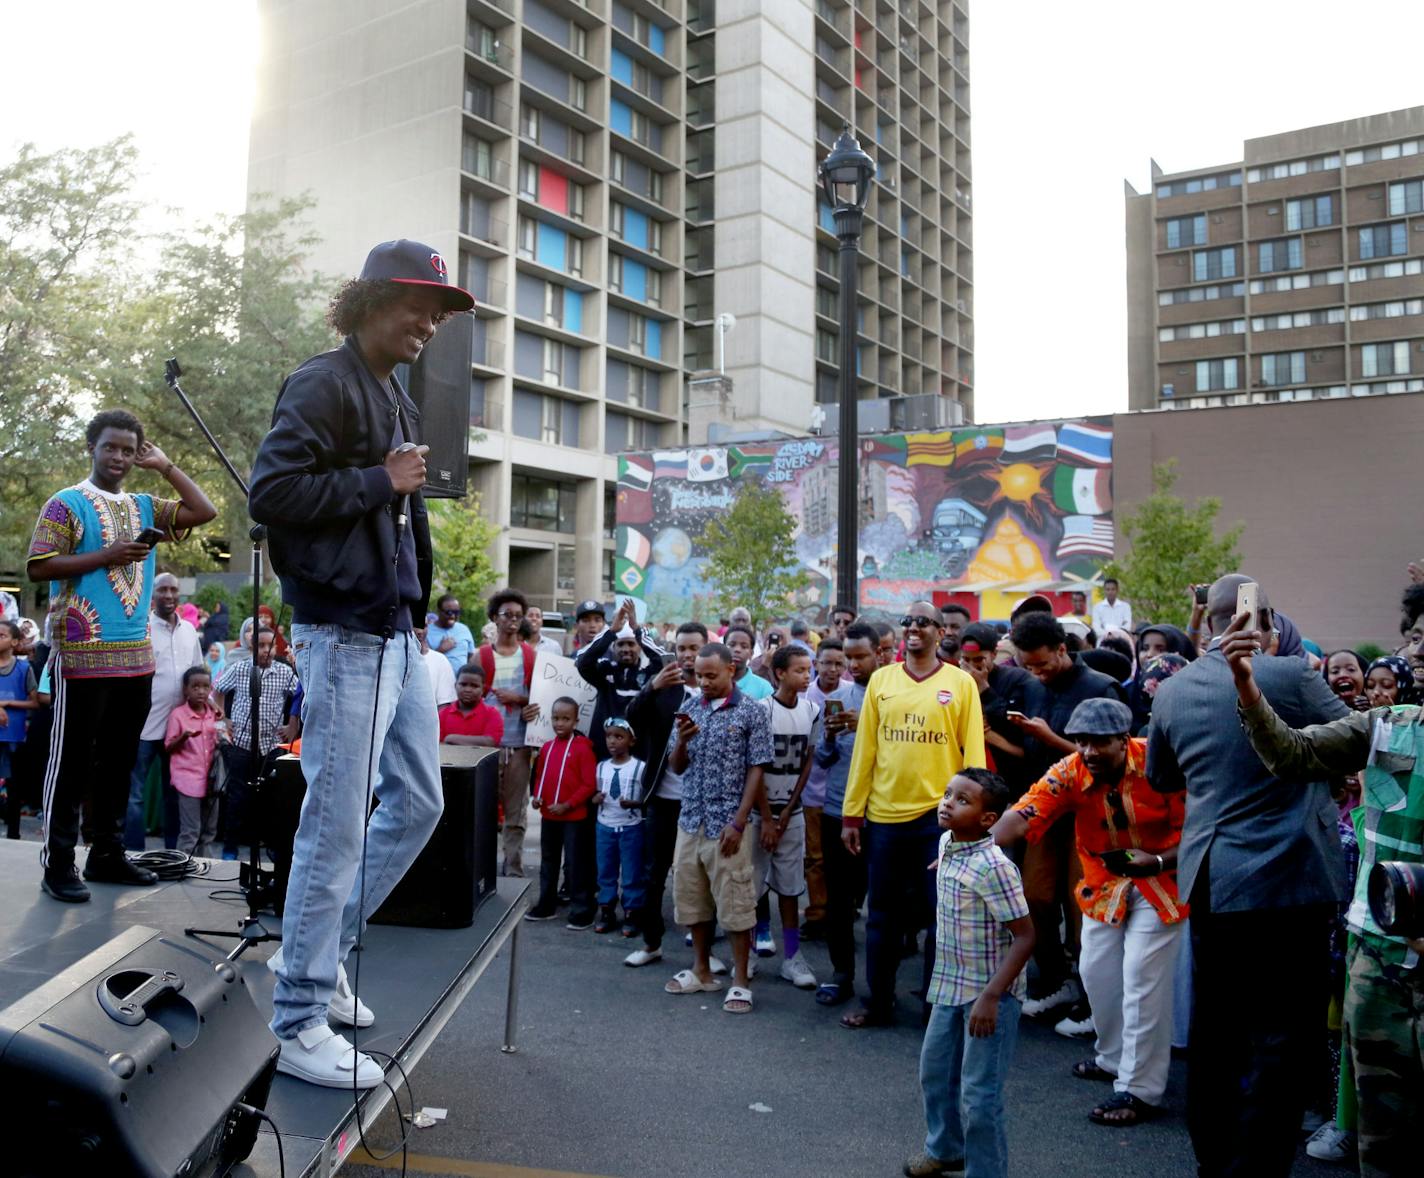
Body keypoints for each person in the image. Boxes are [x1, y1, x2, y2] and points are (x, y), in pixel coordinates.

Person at [248, 239, 468, 1088]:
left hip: (396, 633)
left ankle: (322, 951)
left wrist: (418, 613)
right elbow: (272, 496)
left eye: (440, 312)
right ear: (370, 300)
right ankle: (299, 1016)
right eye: (419, 305)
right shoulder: (323, 382)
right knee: (334, 824)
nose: (430, 323)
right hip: (342, 633)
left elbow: (404, 517)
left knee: (417, 802)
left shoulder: (397, 397)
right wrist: (379, 481)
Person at [1145, 574, 1351, 1177]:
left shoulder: (1173, 689)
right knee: (1283, 1039)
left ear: (1207, 621)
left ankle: (1215, 1162)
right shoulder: (1288, 674)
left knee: (1217, 1035)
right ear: (1263, 619)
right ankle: (1257, 1169)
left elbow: (1161, 778)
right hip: (1289, 880)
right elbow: (1353, 743)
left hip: (1212, 877)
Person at [1222, 594, 1424, 1178]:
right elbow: (1293, 754)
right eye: (1417, 638)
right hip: (1378, 964)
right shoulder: (1389, 728)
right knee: (1382, 1138)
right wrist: (1245, 684)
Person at [27, 408, 217, 903]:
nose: (118, 457)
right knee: (70, 762)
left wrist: (167, 467)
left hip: (137, 657)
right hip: (81, 651)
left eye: (128, 450)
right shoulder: (66, 503)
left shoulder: (144, 505)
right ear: (92, 447)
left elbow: (204, 512)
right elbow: (40, 566)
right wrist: (108, 556)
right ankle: (59, 862)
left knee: (118, 762)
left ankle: (107, 854)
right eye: (110, 447)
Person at [993, 698, 1186, 1126]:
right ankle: (1113, 1058)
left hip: (1163, 883)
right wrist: (974, 847)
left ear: (1124, 739)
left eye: (1100, 743)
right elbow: (1027, 811)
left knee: (1142, 981)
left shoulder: (1163, 764)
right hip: (1103, 885)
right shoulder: (1071, 770)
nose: (1089, 752)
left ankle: (1140, 1090)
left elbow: (1197, 831)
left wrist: (1154, 862)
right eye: (1081, 742)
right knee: (1096, 973)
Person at [840, 602, 986, 1029]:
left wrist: (971, 819)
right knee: (880, 916)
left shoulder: (960, 684)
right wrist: (853, 815)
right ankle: (878, 1003)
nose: (914, 628)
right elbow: (865, 751)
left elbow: (972, 756)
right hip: (883, 817)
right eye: (908, 622)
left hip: (938, 822)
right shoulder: (882, 681)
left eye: (924, 622)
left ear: (941, 632)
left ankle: (935, 1009)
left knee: (941, 916)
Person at [904, 768, 1034, 1178]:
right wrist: (944, 862)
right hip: (948, 983)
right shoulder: (947, 841)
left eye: (963, 800)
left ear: (987, 819)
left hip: (988, 995)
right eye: (947, 794)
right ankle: (945, 1149)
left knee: (980, 1097)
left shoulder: (996, 868)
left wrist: (993, 997)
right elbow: (952, 858)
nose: (947, 803)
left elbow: (1026, 937)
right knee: (936, 1074)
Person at [1005, 611, 1126, 1030]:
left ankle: (1093, 1002)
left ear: (1063, 648)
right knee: (1034, 895)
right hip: (1044, 810)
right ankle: (1055, 981)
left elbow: (1112, 758)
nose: (1036, 673)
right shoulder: (1029, 687)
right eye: (1027, 666)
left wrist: (1048, 738)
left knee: (1082, 911)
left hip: (1089, 813)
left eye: (1042, 663)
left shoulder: (1100, 688)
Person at [662, 642, 773, 1014]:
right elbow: (676, 767)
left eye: (712, 675)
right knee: (692, 899)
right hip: (691, 819)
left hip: (729, 824)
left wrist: (740, 822)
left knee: (736, 903)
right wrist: (683, 741)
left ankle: (740, 981)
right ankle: (702, 971)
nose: (704, 682)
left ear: (731, 669)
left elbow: (758, 768)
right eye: (699, 675)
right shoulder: (689, 709)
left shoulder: (752, 712)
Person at [624, 621, 708, 968]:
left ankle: (706, 950)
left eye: (694, 648)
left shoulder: (714, 691)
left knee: (701, 875)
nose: (687, 655)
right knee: (654, 871)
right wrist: (652, 687)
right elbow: (631, 718)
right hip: (663, 797)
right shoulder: (665, 685)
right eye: (682, 648)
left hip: (702, 800)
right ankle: (651, 942)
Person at [813, 623, 878, 1005]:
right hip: (838, 808)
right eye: (847, 657)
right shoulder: (837, 698)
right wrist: (830, 737)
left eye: (859, 656)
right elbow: (822, 760)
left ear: (879, 654)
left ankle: (878, 982)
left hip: (882, 813)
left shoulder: (891, 695)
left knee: (879, 902)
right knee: (837, 900)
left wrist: (866, 727)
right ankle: (841, 974)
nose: (852, 665)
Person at [751, 644, 822, 990]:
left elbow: (808, 761)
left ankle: (792, 956)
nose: (807, 676)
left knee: (792, 889)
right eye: (800, 670)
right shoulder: (761, 711)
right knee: (751, 887)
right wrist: (767, 817)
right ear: (780, 673)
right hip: (758, 814)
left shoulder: (811, 710)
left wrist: (790, 808)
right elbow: (755, 768)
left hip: (790, 814)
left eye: (809, 670)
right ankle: (748, 950)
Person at [126, 572, 204, 852]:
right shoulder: (141, 628)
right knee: (134, 795)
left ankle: (174, 853)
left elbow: (197, 673)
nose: (169, 595)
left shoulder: (189, 631)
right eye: (162, 590)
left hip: (179, 729)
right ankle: (133, 854)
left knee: (174, 793)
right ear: (152, 594)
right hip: (143, 726)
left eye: (173, 590)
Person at [214, 627, 299, 858]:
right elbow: (218, 691)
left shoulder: (284, 672)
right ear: (251, 647)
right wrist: (224, 719)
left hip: (270, 744)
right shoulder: (241, 669)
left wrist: (292, 724)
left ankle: (271, 847)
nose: (265, 651)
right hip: (242, 742)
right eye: (260, 646)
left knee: (272, 796)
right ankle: (230, 847)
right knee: (237, 795)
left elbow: (299, 696)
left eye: (270, 646)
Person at [476, 588, 536, 876]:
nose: (513, 620)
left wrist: (521, 700)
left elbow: (543, 700)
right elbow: (469, 698)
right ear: (494, 618)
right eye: (506, 615)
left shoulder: (531, 657)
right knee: (484, 812)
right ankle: (482, 870)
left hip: (520, 746)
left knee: (516, 813)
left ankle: (513, 868)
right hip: (487, 749)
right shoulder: (482, 657)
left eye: (517, 615)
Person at [525, 697, 598, 927]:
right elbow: (540, 776)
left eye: (566, 719)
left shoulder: (583, 748)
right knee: (548, 860)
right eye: (556, 718)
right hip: (550, 814)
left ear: (576, 721)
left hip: (573, 816)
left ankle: (581, 908)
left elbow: (589, 784)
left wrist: (568, 804)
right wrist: (537, 797)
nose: (560, 723)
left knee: (576, 863)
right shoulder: (547, 747)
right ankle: (546, 904)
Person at [958, 622, 1043, 801]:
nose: (971, 667)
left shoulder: (1017, 679)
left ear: (994, 655)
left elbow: (1019, 730)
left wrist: (984, 690)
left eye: (979, 660)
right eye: (966, 660)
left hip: (1013, 784)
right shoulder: (954, 682)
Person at [575, 598, 664, 760]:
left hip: (639, 751)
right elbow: (583, 664)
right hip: (605, 751)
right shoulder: (605, 671)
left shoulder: (649, 673)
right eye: (620, 644)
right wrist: (611, 633)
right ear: (613, 647)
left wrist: (637, 629)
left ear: (640, 646)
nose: (626, 649)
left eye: (631, 644)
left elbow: (664, 661)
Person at [800, 638, 847, 941]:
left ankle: (842, 909)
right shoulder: (804, 696)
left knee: (842, 859)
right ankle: (818, 913)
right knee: (815, 857)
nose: (832, 669)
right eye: (827, 663)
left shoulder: (853, 695)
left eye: (838, 664)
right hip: (812, 789)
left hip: (845, 791)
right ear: (816, 664)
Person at [591, 716, 648, 936]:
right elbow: (596, 792)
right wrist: (596, 798)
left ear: (631, 741)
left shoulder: (639, 767)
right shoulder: (602, 767)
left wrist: (634, 803)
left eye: (619, 737)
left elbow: (646, 798)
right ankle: (606, 910)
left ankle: (632, 912)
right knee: (606, 870)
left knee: (632, 871)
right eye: (608, 736)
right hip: (605, 825)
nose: (612, 741)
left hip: (630, 826)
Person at [163, 665, 226, 858]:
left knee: (209, 830)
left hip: (212, 781)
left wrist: (224, 735)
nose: (201, 691)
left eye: (205, 687)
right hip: (188, 780)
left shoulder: (214, 714)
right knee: (191, 830)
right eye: (195, 687)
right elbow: (168, 747)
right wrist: (183, 737)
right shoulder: (178, 715)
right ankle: (183, 865)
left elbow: (222, 738)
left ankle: (205, 866)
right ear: (185, 690)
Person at [0, 621, 39, 804]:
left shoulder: (23, 669)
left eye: (2, 636)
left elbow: (35, 702)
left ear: (15, 642)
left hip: (14, 734)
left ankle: (14, 831)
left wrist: (8, 703)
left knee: (13, 784)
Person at [438, 664, 504, 746]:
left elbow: (490, 741)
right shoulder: (443, 714)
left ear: (483, 689)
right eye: (463, 684)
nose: (468, 690)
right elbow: (438, 744)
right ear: (455, 686)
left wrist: (451, 738)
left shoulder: (492, 714)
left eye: (474, 686)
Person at [723, 624, 774, 701]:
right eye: (732, 645)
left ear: (751, 653)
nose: (737, 650)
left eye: (744, 646)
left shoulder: (764, 688)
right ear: (723, 648)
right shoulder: (713, 683)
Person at [428, 593, 476, 674]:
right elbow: (424, 660)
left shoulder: (464, 629)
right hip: (437, 681)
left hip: (460, 683)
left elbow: (471, 656)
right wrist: (440, 650)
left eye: (456, 612)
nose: (453, 616)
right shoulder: (427, 631)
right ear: (439, 611)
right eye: (449, 612)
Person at [417, 625, 457, 707]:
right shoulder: (393, 660)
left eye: (424, 626)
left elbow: (445, 703)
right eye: (414, 626)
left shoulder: (440, 660)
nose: (420, 631)